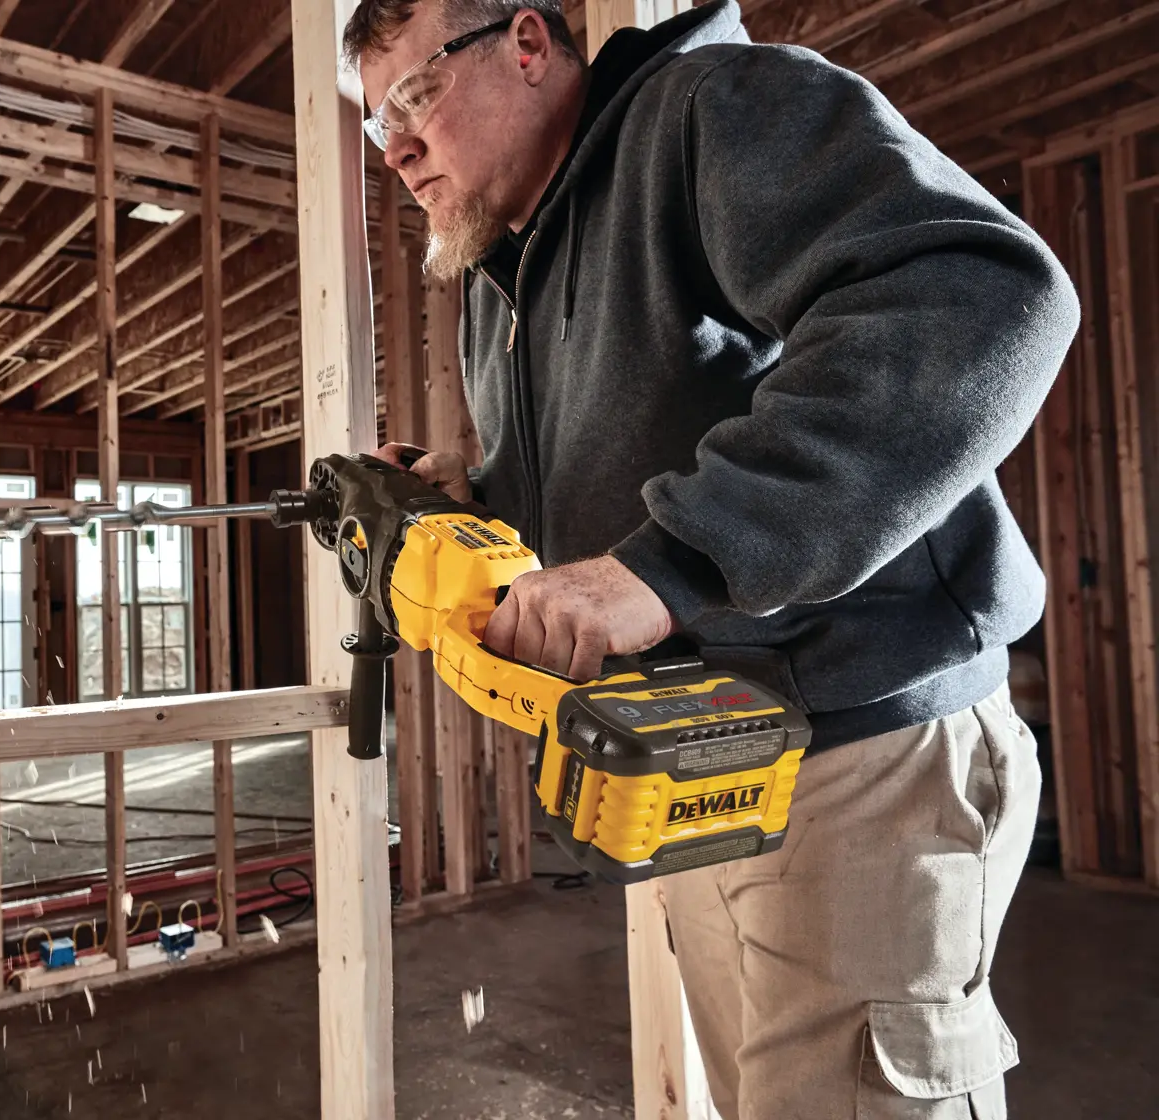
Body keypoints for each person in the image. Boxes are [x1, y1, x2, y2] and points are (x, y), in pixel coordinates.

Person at [344, 1, 1080, 1116]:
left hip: (857, 757)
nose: (394, 148)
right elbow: (638, 463)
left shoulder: (713, 110)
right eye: (373, 128)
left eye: (411, 97)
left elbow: (979, 296)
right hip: (703, 769)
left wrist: (674, 558)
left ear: (528, 45)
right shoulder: (515, 265)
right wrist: (479, 493)